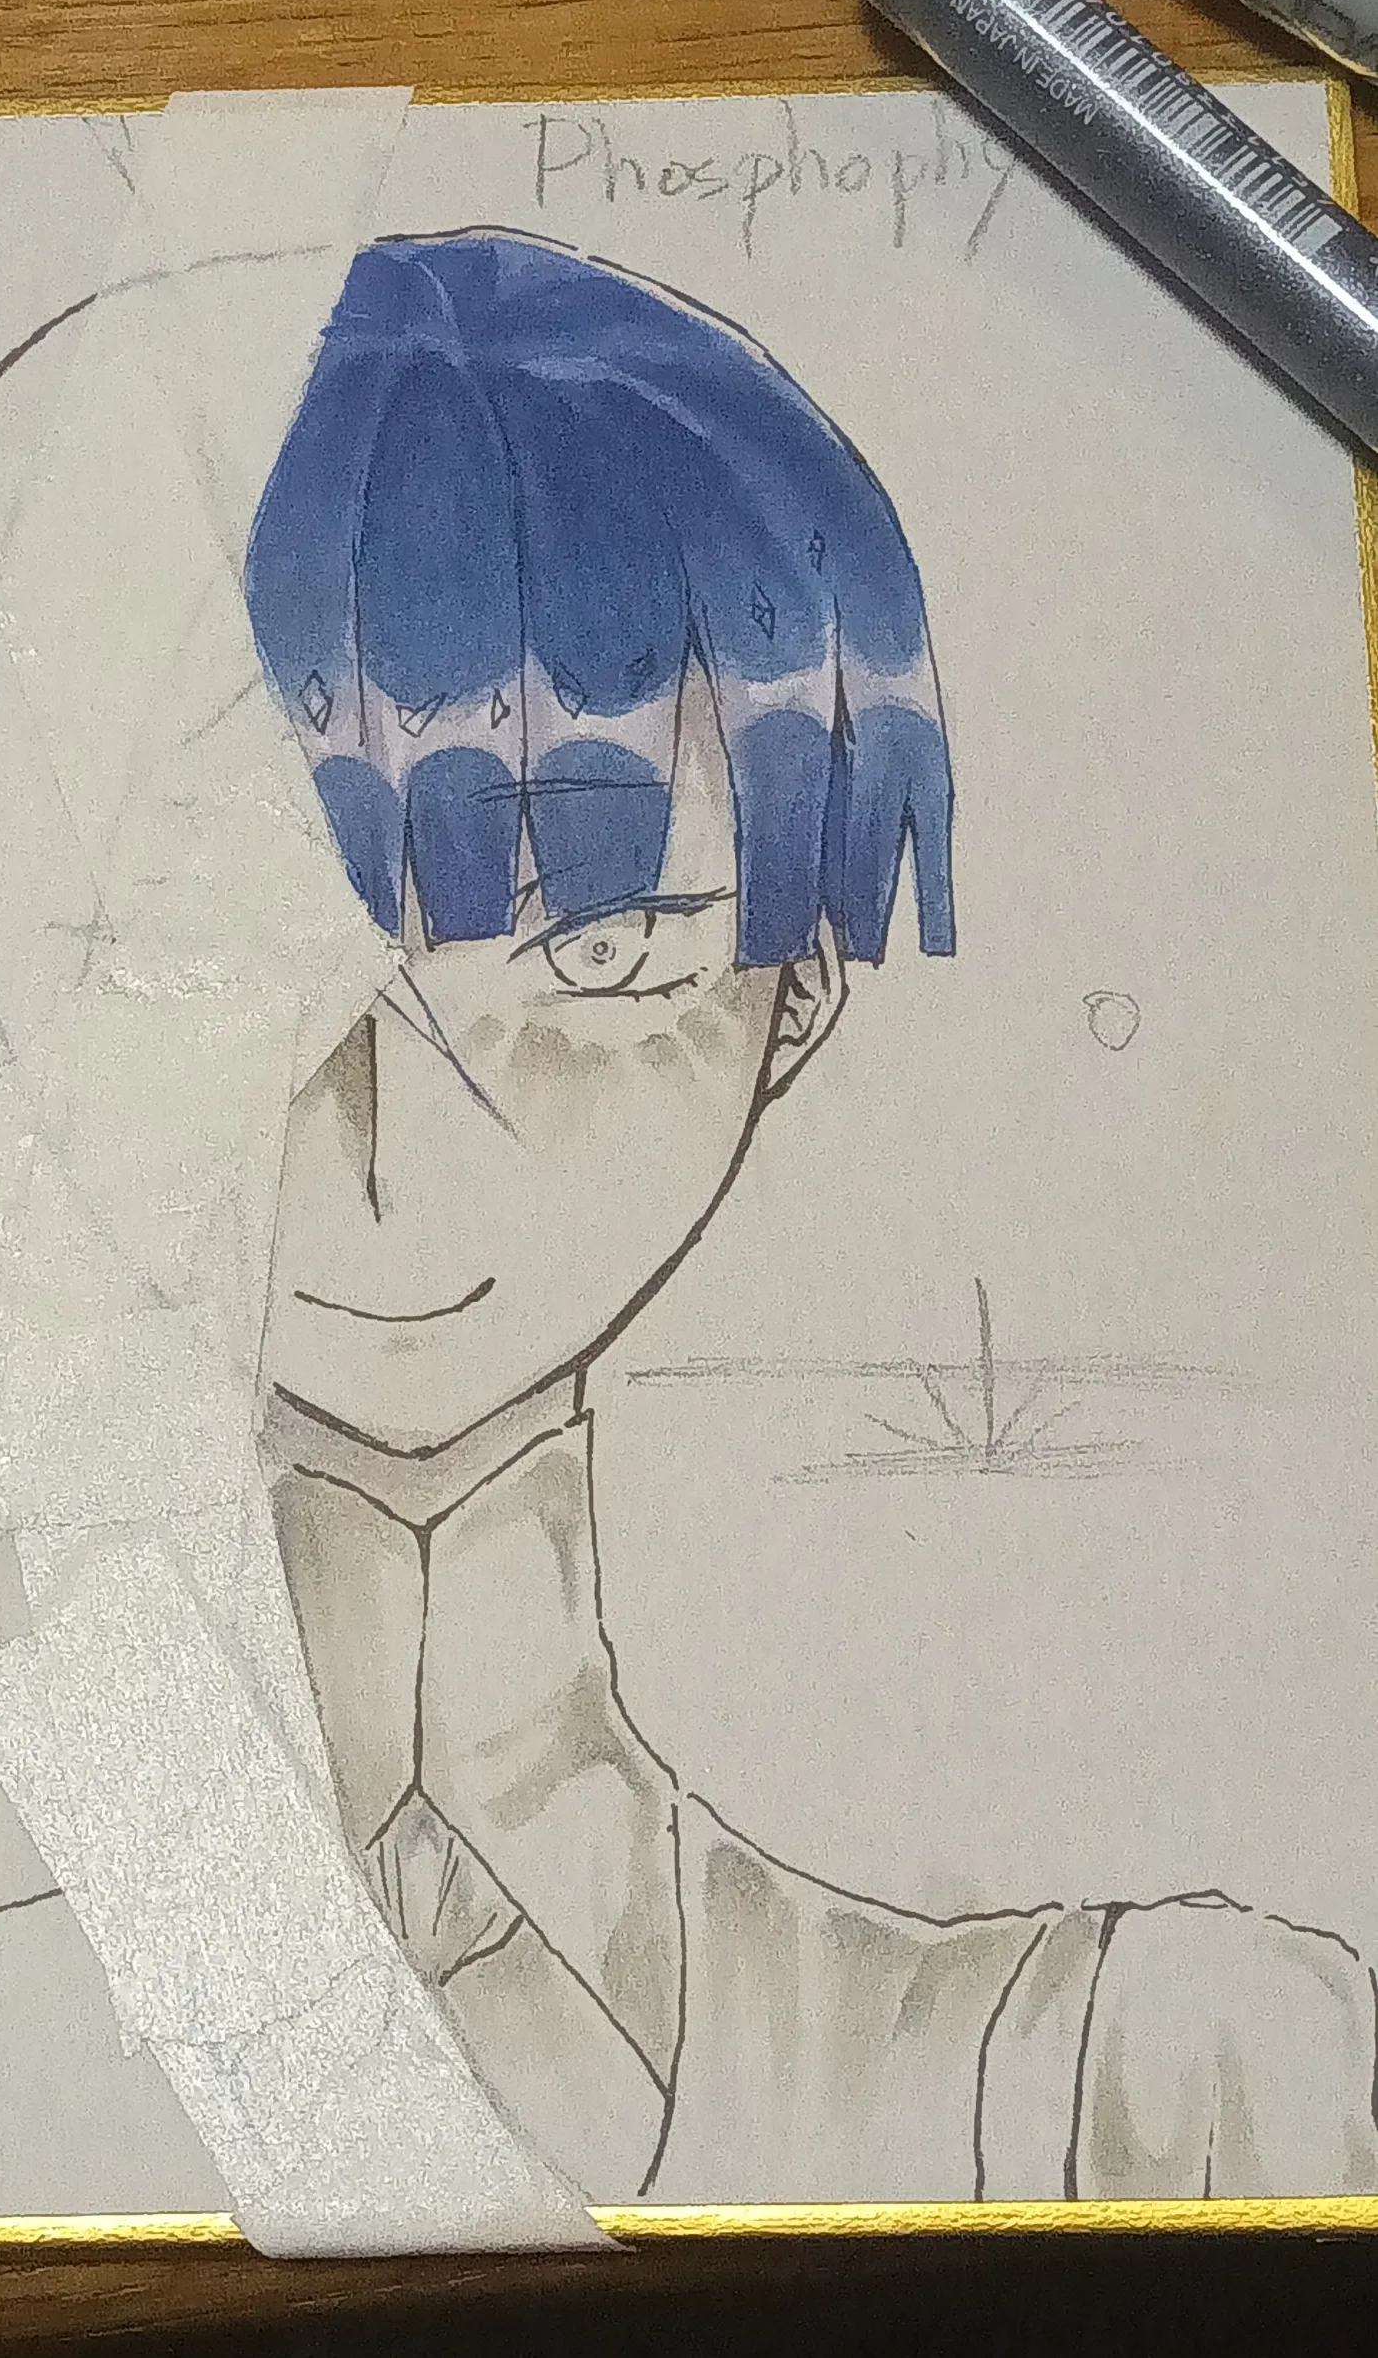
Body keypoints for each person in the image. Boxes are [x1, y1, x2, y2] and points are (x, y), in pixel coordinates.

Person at [237, 231, 1378, 2202]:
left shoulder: (1161, 2089)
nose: (390, 1129)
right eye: (248, 970)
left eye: (601, 950)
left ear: (799, 998)